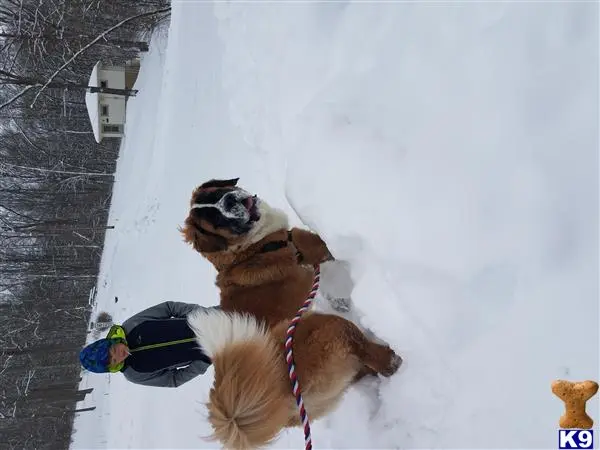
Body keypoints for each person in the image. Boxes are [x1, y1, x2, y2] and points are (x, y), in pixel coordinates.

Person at [79, 301, 215, 388]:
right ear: (112, 367)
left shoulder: (131, 326)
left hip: (213, 320)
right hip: (215, 351)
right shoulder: (134, 374)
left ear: (111, 342)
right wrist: (203, 361)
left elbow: (168, 308)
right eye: (114, 360)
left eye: (114, 350)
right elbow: (173, 380)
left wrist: (202, 315)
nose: (119, 355)